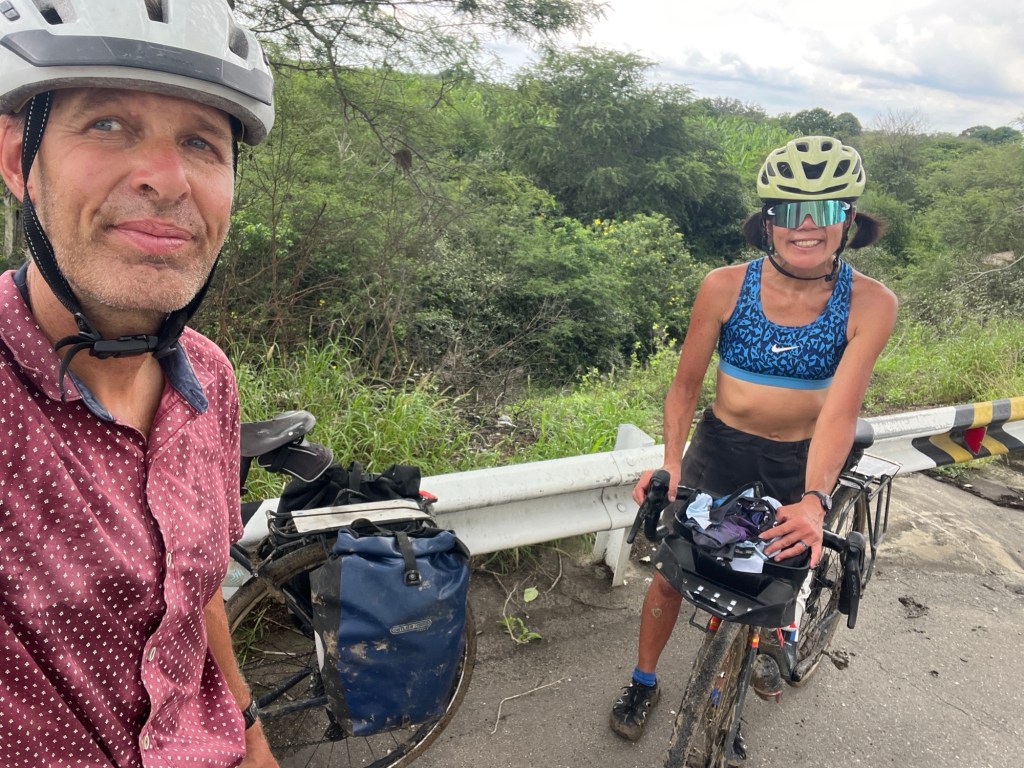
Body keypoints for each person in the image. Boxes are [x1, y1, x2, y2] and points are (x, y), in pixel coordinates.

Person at [0, 1, 279, 765]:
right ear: (17, 158)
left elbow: (196, 592)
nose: (166, 179)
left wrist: (252, 733)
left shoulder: (209, 379)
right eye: (107, 123)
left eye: (200, 142)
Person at [609, 136, 898, 741]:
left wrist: (815, 501)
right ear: (768, 222)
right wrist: (670, 463)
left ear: (849, 219)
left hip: (800, 457)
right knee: (672, 573)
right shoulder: (723, 286)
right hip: (721, 447)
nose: (807, 226)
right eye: (790, 211)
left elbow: (839, 414)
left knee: (779, 570)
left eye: (826, 209)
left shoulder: (870, 303)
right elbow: (685, 386)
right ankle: (643, 679)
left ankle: (774, 634)